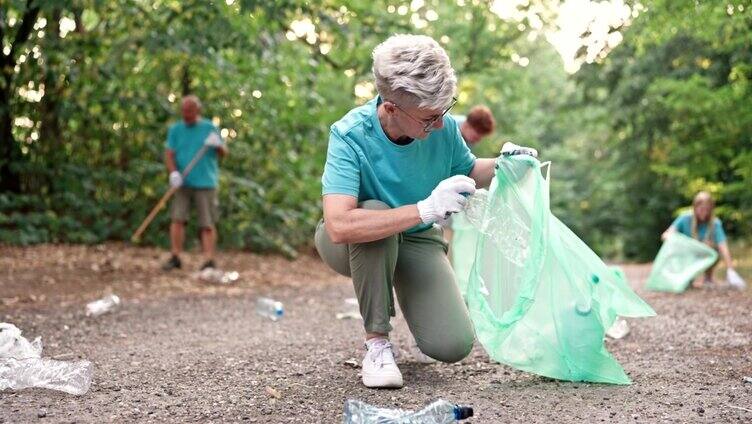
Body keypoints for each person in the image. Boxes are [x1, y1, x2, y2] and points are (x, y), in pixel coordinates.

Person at [314, 34, 537, 389]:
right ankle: (377, 344)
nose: (438, 125)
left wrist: (504, 165)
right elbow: (339, 224)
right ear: (391, 108)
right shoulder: (349, 135)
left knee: (453, 344)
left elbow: (467, 170)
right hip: (351, 244)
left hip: (415, 241)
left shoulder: (443, 127)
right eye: (429, 118)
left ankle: (419, 318)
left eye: (443, 113)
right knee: (374, 214)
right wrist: (426, 208)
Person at [162, 95, 228, 271]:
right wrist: (173, 173)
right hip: (183, 181)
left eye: (190, 111)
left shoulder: (209, 128)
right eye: (183, 111)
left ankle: (209, 259)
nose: (186, 114)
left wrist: (217, 145)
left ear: (197, 110)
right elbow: (169, 153)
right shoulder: (176, 130)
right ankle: (175, 256)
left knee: (207, 222)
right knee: (177, 218)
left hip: (205, 181)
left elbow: (223, 153)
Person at [661, 191, 743, 287]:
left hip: (703, 256)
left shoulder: (715, 223)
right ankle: (685, 278)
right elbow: (665, 235)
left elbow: (723, 247)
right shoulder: (685, 218)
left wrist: (730, 270)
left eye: (707, 210)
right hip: (686, 256)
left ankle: (708, 278)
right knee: (685, 284)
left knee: (714, 248)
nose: (704, 212)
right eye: (701, 209)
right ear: (695, 208)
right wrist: (679, 240)